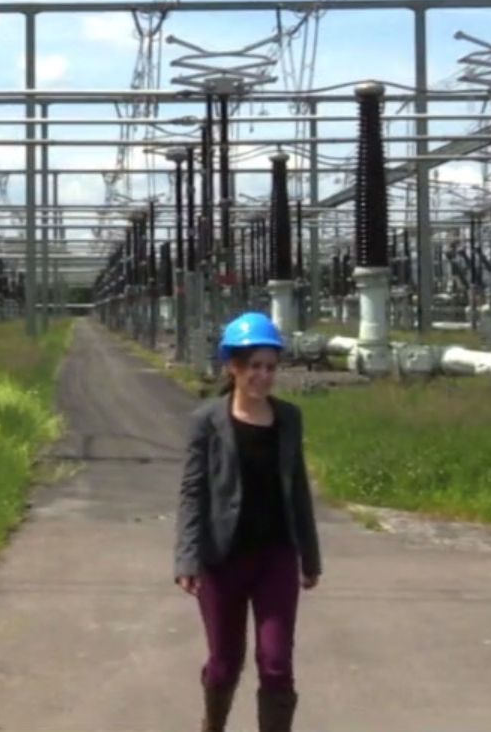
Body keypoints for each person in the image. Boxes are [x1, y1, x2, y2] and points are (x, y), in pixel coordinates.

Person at [172, 311, 322, 732]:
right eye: (254, 366)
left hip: (276, 557)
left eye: (270, 367)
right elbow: (192, 492)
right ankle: (213, 723)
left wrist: (310, 557)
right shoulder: (206, 421)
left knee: (276, 663)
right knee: (225, 662)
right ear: (233, 367)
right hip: (223, 559)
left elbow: (298, 489)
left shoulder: (289, 418)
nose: (263, 376)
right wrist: (187, 559)